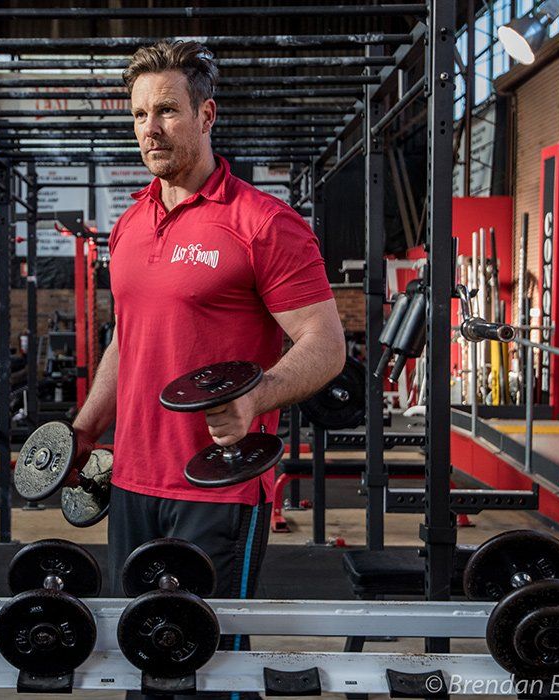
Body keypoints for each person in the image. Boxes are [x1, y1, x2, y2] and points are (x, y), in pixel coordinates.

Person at [71, 37, 346, 631]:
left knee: (209, 662)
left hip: (219, 484)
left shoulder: (264, 224)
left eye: (168, 110)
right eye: (140, 114)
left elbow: (326, 345)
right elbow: (129, 339)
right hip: (131, 481)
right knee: (141, 651)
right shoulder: (128, 225)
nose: (151, 129)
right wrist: (86, 427)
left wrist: (255, 398)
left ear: (206, 114)